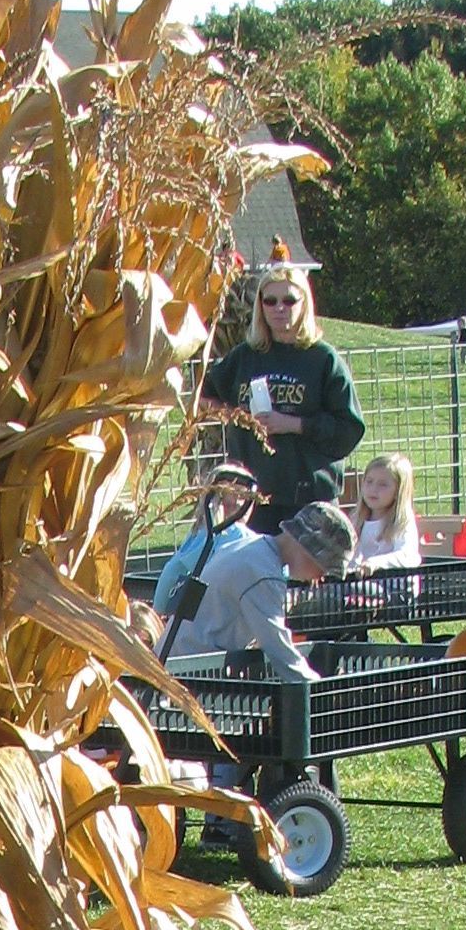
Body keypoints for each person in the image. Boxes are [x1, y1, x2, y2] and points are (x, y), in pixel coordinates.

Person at [198, 255, 366, 531]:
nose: (279, 308)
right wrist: (236, 417)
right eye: (270, 301)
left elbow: (350, 428)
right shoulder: (245, 357)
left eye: (289, 300)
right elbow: (200, 398)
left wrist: (294, 425)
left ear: (304, 305)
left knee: (304, 574)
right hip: (253, 496)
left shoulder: (323, 359)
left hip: (308, 496)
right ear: (260, 306)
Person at [162, 499, 356, 684]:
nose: (321, 577)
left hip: (175, 661)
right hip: (187, 675)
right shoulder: (262, 573)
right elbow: (277, 647)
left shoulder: (251, 547)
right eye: (324, 568)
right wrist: (317, 688)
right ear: (307, 550)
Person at [149, 462, 261, 648]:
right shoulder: (240, 538)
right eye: (235, 495)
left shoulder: (195, 537)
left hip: (177, 642)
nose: (240, 501)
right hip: (217, 644)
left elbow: (163, 597)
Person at [349, 452, 421, 571]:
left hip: (393, 586)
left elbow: (409, 556)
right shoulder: (357, 519)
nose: (373, 489)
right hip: (365, 581)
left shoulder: (402, 522)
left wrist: (375, 563)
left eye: (383, 485)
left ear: (398, 491)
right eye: (369, 481)